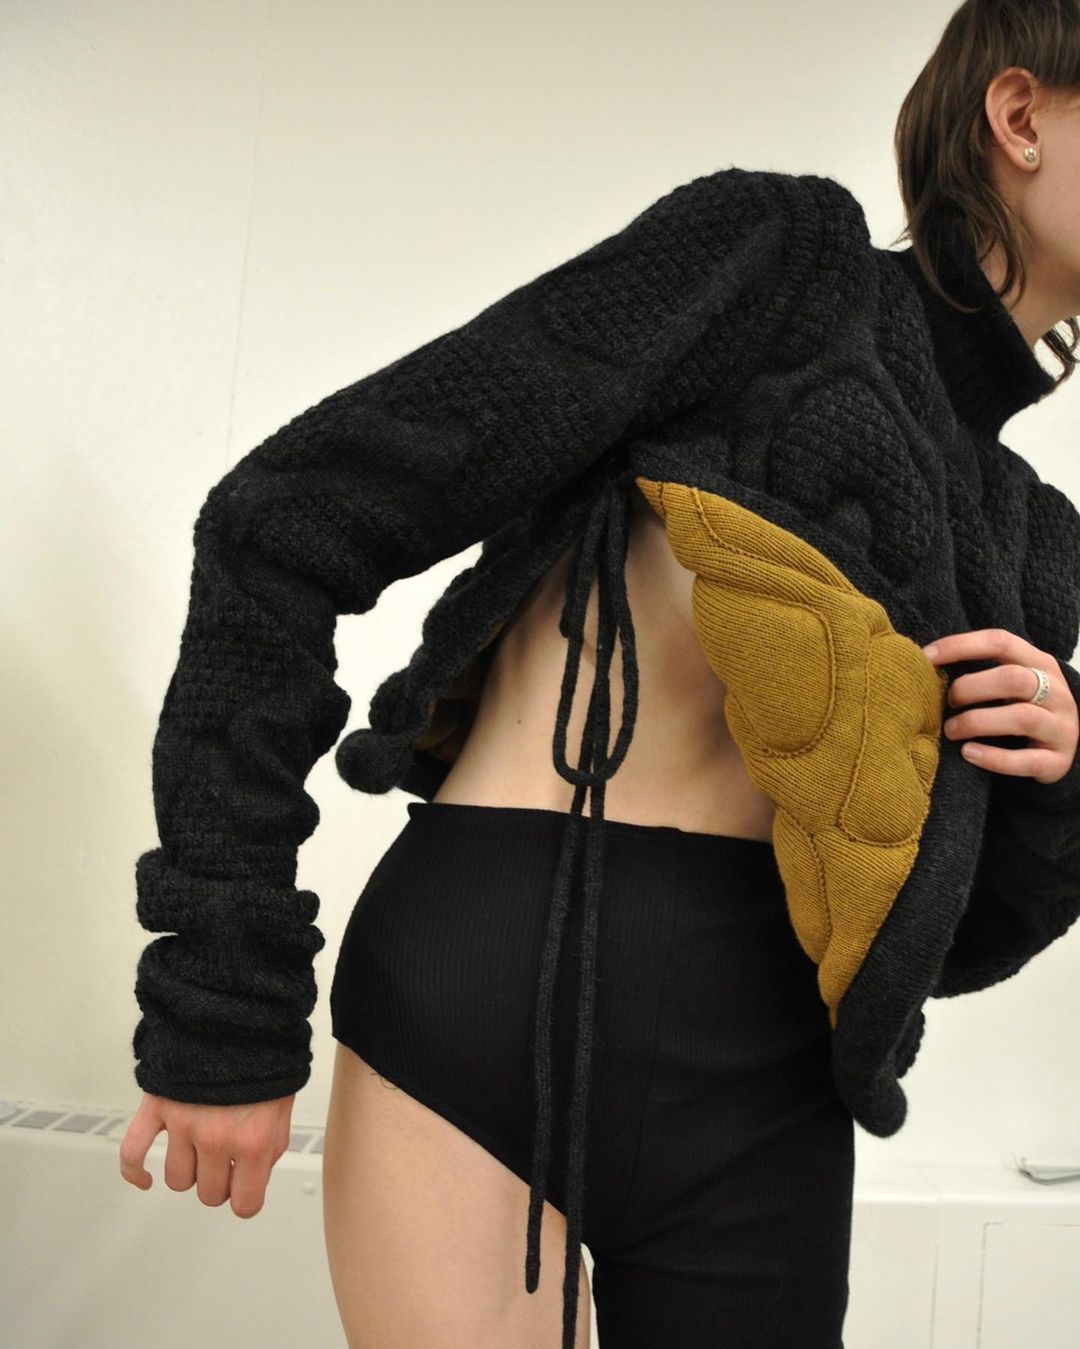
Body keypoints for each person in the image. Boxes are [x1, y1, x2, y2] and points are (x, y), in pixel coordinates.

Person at [120, 4, 1080, 1348]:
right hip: (494, 982)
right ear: (1021, 117)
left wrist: (1059, 776)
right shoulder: (779, 259)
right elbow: (282, 522)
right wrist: (223, 994)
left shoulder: (1028, 535)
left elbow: (942, 945)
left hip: (773, 1067)